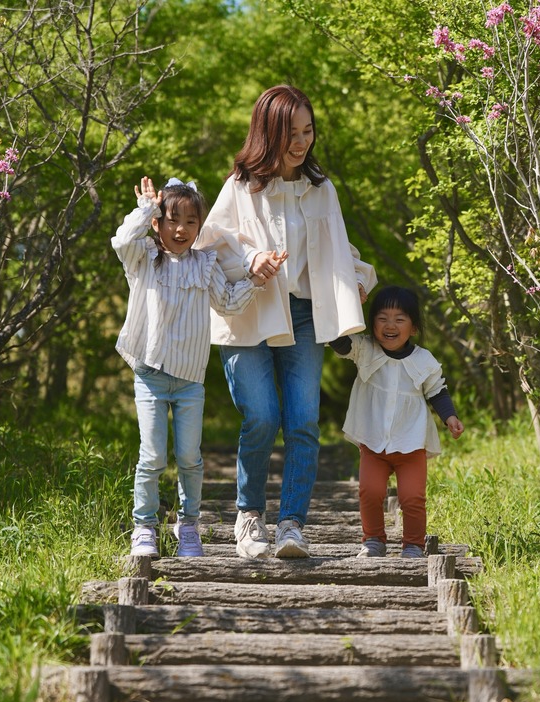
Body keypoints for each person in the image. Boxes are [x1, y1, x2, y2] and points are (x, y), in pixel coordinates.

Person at [197, 83, 378, 560]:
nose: (301, 142)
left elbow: (339, 247)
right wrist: (252, 259)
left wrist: (355, 281)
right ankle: (249, 515)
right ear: (268, 132)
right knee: (261, 416)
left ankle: (292, 524)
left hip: (303, 315)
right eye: (291, 132)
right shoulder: (239, 187)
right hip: (252, 311)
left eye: (308, 130)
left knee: (303, 423)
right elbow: (209, 245)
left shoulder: (321, 190)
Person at [111, 175, 282, 557]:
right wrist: (145, 209)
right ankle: (144, 528)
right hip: (151, 375)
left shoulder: (205, 263)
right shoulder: (144, 258)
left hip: (190, 381)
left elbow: (229, 303)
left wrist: (255, 280)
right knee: (152, 456)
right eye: (172, 220)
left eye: (191, 222)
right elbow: (122, 240)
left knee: (190, 458)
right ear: (158, 224)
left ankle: (188, 526)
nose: (181, 229)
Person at [327, 285, 464, 558]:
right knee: (370, 491)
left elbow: (437, 390)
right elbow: (339, 342)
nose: (390, 325)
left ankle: (413, 545)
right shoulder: (365, 349)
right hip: (373, 441)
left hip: (411, 443)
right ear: (372, 322)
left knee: (413, 497)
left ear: (413, 328)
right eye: (382, 318)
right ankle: (373, 540)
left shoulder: (423, 360)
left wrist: (450, 416)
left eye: (399, 319)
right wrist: (345, 301)